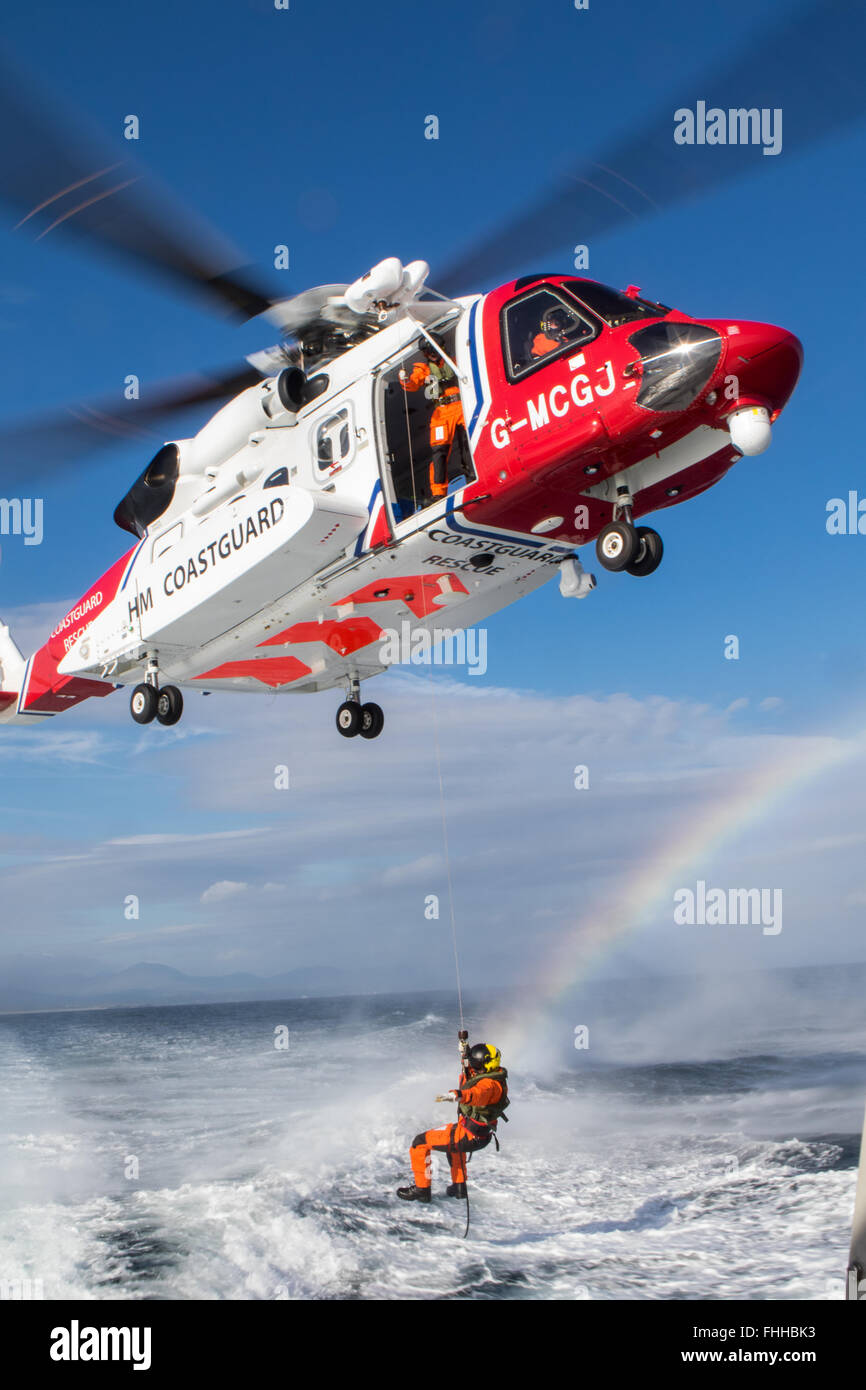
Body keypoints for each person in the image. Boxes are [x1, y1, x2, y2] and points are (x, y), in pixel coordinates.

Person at [397, 1042, 509, 1203]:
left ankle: (422, 1190)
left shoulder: (489, 1086)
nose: (473, 1066)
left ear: (485, 1064)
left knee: (419, 1142)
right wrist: (465, 1054)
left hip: (468, 1136)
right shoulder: (496, 1076)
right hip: (480, 1135)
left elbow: (476, 1093)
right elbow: (471, 1075)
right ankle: (459, 1187)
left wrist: (457, 1095)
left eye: (476, 1063)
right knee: (454, 1148)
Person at [398, 340, 465, 504]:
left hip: (461, 405)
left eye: (433, 349)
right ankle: (438, 492)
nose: (432, 354)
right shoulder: (423, 369)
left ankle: (474, 472)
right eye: (428, 352)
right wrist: (405, 379)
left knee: (470, 439)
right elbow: (413, 384)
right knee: (439, 451)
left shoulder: (454, 360)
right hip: (441, 412)